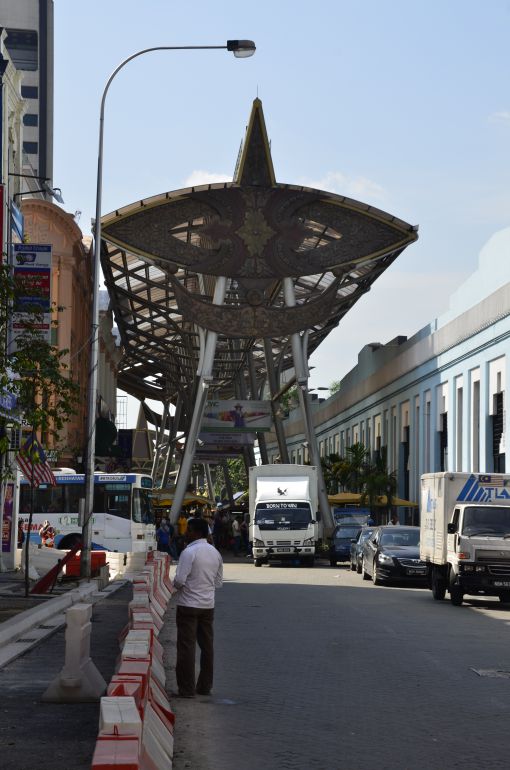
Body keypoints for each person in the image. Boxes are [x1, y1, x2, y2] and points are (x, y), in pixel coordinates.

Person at [173, 517, 223, 698]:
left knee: (186, 647)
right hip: (208, 606)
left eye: (189, 530)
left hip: (188, 605)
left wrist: (179, 588)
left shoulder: (189, 552)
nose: (186, 533)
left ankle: (186, 689)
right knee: (207, 646)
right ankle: (204, 686)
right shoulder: (215, 552)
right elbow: (218, 582)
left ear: (196, 532)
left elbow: (179, 580)